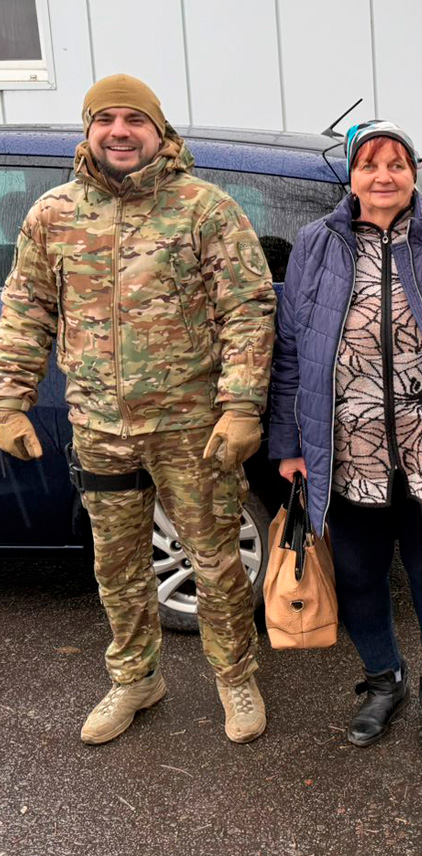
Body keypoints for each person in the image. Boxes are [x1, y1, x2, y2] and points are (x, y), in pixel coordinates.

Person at [0, 74, 277, 745]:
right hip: (98, 428)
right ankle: (136, 679)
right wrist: (11, 399)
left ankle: (235, 678)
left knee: (214, 563)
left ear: (160, 132)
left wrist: (241, 406)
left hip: (191, 429)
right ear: (89, 130)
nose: (119, 131)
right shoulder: (53, 215)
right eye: (106, 119)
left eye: (134, 119)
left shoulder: (204, 210)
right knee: (117, 567)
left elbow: (248, 308)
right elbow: (26, 309)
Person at [269, 120, 422, 757]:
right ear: (351, 179)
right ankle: (383, 681)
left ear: (413, 173)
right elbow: (291, 350)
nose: (383, 177)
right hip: (347, 446)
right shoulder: (315, 245)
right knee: (358, 576)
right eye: (369, 165)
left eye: (397, 164)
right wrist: (288, 442)